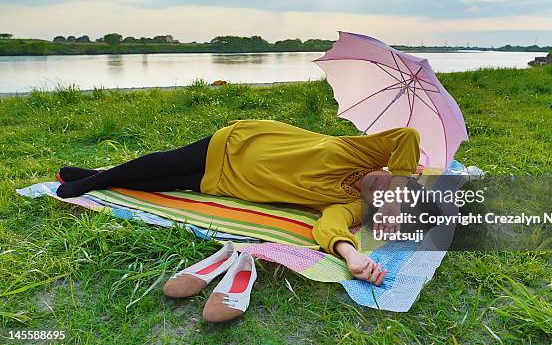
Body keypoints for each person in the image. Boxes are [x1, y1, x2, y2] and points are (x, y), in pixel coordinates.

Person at [56, 119, 421, 286]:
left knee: (168, 183)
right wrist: (406, 179)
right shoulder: (362, 152)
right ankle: (99, 178)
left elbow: (330, 226)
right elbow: (407, 134)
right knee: (168, 161)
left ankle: (103, 175)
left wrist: (352, 255)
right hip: (241, 143)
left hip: (232, 182)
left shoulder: (352, 203)